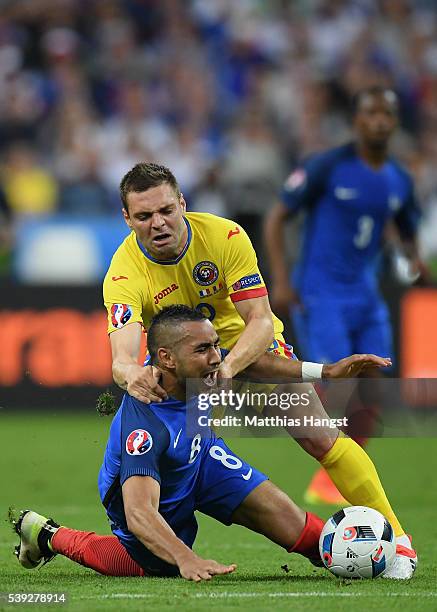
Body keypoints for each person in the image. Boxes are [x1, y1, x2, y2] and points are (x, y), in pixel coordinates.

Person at [101, 161, 416, 579]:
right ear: (127, 218)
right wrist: (129, 373)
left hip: (249, 353)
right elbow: (122, 356)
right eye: (143, 216)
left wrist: (229, 365)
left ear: (182, 202)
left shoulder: (225, 235)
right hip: (189, 370)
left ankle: (398, 542)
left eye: (165, 211)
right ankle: (151, 536)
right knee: (155, 442)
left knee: (321, 437)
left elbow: (261, 321)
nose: (157, 223)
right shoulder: (123, 273)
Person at [12, 306, 327, 581]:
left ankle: (348, 548)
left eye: (216, 345)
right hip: (161, 493)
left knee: (305, 533)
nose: (217, 357)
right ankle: (51, 536)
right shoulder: (145, 426)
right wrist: (186, 559)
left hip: (203, 458)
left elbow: (255, 363)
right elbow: (139, 512)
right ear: (167, 358)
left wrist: (323, 371)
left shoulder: (201, 368)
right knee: (162, 564)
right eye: (204, 349)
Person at [264, 86, 425, 508]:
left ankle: (342, 472)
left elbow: (408, 229)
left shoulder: (399, 179)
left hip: (366, 294)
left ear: (394, 121)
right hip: (322, 293)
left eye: (386, 114)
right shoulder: (327, 166)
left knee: (375, 379)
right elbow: (278, 217)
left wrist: (414, 259)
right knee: (338, 384)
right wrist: (281, 279)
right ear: (356, 120)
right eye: (370, 112)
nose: (378, 121)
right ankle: (327, 465)